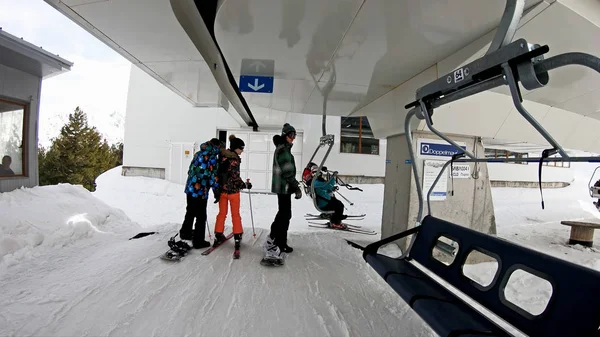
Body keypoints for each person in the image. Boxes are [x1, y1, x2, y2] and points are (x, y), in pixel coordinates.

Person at [263, 123, 302, 259]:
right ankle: (277, 241)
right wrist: (295, 186)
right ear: (285, 135)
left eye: (294, 135)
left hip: (284, 187)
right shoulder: (283, 150)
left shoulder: (283, 148)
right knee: (285, 215)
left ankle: (278, 239)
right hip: (284, 187)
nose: (293, 138)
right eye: (291, 135)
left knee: (284, 214)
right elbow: (288, 171)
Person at [179, 138, 222, 249]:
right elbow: (213, 177)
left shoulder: (198, 153)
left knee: (190, 211)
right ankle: (198, 241)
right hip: (200, 191)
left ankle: (185, 233)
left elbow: (190, 170)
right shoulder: (212, 157)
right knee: (201, 216)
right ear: (216, 147)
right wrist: (217, 191)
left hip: (190, 188)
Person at [213, 135, 252, 252]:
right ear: (236, 148)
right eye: (241, 148)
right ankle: (237, 235)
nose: (242, 151)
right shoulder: (234, 159)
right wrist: (244, 185)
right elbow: (235, 176)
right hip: (233, 192)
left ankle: (218, 234)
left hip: (222, 191)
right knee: (235, 214)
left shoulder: (222, 156)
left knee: (222, 213)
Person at [309, 163, 347, 229]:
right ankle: (335, 222)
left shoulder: (315, 182)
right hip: (324, 204)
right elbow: (329, 185)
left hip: (324, 201)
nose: (320, 174)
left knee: (338, 203)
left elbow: (325, 188)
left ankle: (335, 220)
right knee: (339, 206)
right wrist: (333, 177)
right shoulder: (317, 183)